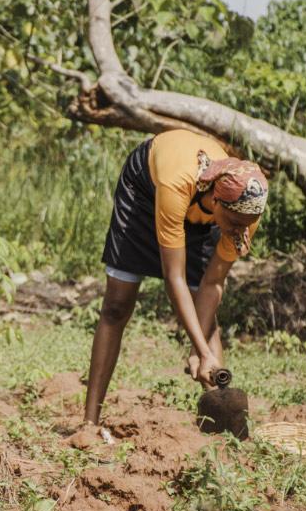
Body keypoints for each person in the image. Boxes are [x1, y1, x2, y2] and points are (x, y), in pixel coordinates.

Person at [84, 129, 269, 425]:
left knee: (206, 322)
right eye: (234, 224)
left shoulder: (245, 213)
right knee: (117, 305)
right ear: (217, 201)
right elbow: (175, 279)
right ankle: (89, 422)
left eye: (246, 226)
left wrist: (201, 351)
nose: (239, 232)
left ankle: (222, 430)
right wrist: (200, 348)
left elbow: (213, 284)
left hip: (200, 208)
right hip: (146, 190)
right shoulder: (177, 184)